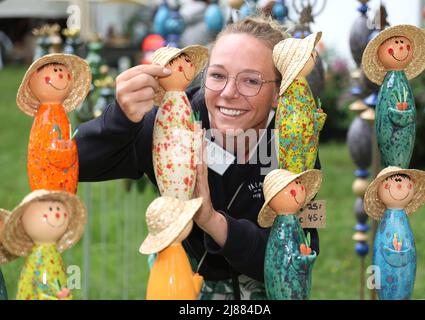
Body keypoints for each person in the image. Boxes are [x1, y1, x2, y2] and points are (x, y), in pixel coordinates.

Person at [76, 16, 321, 300]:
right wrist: (121, 119)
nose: (229, 93)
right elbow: (73, 164)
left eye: (251, 81)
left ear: (278, 93)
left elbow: (299, 260)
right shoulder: (169, 126)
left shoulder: (295, 142)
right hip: (178, 287)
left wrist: (212, 221)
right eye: (217, 75)